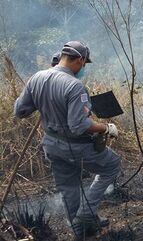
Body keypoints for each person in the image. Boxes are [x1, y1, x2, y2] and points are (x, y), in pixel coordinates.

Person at [14, 41, 121, 240]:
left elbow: (20, 111)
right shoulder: (74, 86)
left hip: (52, 145)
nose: (83, 68)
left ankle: (80, 233)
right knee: (112, 165)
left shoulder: (37, 77)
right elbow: (79, 125)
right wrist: (106, 127)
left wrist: (45, 104)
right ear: (79, 60)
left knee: (69, 188)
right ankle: (86, 215)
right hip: (75, 146)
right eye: (84, 64)